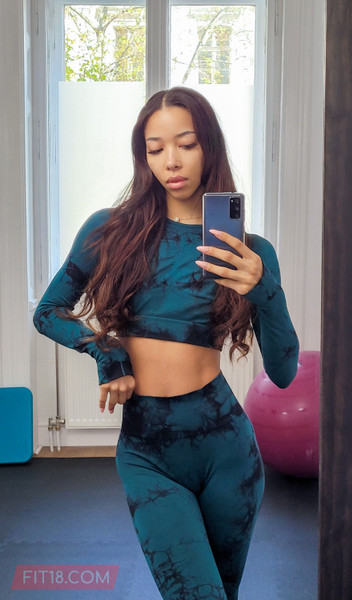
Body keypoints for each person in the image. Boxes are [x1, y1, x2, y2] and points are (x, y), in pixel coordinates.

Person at [33, 86, 299, 600]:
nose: (171, 161)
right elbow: (48, 312)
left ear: (209, 147)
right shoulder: (110, 231)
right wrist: (105, 350)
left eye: (186, 144)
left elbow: (284, 373)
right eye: (155, 149)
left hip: (228, 451)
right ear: (144, 157)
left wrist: (265, 288)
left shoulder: (250, 252)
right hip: (147, 451)